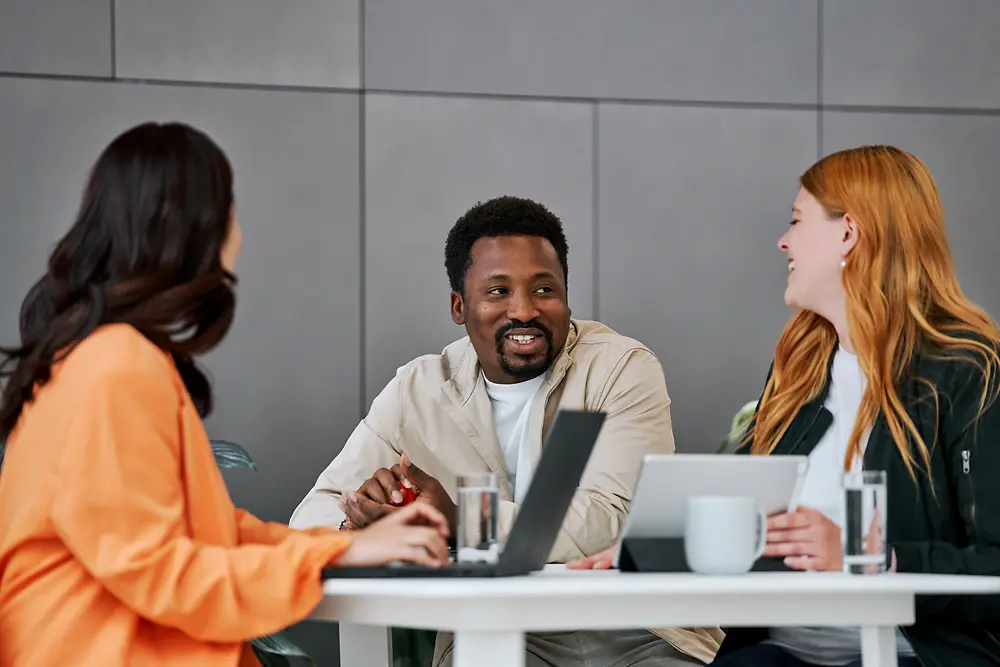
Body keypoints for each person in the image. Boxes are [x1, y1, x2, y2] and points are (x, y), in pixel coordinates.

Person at [0, 122, 450, 667]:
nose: (238, 230)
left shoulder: (104, 355)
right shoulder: (113, 364)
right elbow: (160, 570)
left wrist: (343, 549)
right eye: (229, 209)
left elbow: (211, 533)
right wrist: (348, 551)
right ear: (193, 227)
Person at [574, 145, 1000, 667]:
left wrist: (867, 557)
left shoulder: (967, 371)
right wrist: (653, 551)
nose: (782, 240)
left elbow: (994, 565)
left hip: (915, 656)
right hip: (782, 655)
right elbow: (749, 510)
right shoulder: (800, 365)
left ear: (848, 233)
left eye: (798, 220)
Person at [289, 195, 722, 666]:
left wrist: (461, 519)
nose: (524, 311)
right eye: (498, 292)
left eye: (543, 290)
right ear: (459, 305)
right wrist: (361, 519)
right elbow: (312, 515)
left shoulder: (619, 368)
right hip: (492, 630)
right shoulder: (418, 389)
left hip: (634, 628)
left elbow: (612, 520)